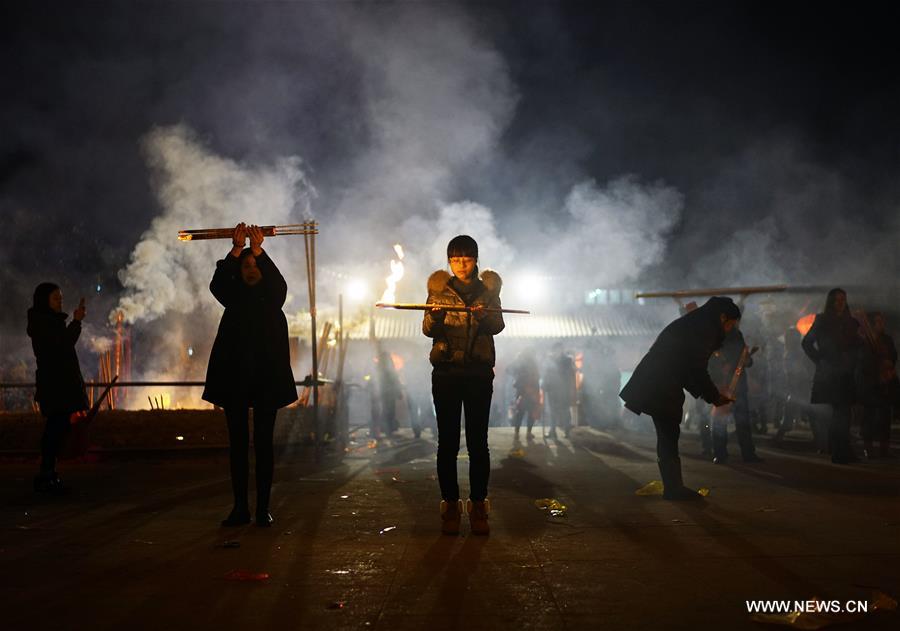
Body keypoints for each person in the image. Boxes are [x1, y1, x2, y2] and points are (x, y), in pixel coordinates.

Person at [203, 223, 298, 527]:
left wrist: (258, 250)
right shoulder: (233, 296)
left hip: (267, 376)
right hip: (235, 377)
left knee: (264, 444)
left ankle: (263, 508)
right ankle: (240, 507)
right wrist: (235, 249)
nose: (252, 268)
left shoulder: (271, 298)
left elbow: (280, 286)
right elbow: (217, 285)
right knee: (239, 445)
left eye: (256, 265)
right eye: (247, 265)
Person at [423, 235, 504, 535]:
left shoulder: (488, 290)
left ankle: (479, 505)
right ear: (449, 261)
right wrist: (435, 317)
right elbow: (427, 329)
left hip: (478, 374)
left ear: (475, 259)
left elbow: (499, 325)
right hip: (446, 373)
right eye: (455, 259)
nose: (461, 265)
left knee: (477, 443)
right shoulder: (438, 289)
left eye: (466, 259)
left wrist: (485, 318)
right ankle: (450, 507)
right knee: (447, 443)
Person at [619, 297, 739, 500]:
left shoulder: (696, 323)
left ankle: (673, 486)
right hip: (661, 382)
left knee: (668, 434)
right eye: (730, 325)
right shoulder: (704, 329)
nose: (729, 330)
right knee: (668, 434)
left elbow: (687, 368)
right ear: (723, 317)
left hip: (660, 381)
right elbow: (696, 369)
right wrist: (713, 396)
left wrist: (709, 395)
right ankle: (674, 489)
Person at [27, 282, 89, 494]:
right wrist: (77, 322)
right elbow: (63, 344)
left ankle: (49, 473)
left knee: (57, 429)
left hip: (58, 384)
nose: (60, 301)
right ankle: (46, 475)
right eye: (55, 298)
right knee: (54, 430)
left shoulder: (50, 321)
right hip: (55, 386)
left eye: (60, 298)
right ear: (44, 300)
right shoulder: (44, 324)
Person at [801, 288, 860, 464]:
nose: (841, 303)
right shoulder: (822, 320)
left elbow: (856, 345)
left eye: (843, 299)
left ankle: (845, 451)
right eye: (837, 300)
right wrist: (820, 360)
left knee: (845, 413)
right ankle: (838, 452)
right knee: (839, 413)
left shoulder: (851, 322)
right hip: (831, 374)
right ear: (831, 302)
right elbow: (806, 343)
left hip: (847, 373)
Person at [707, 327, 763, 463]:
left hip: (739, 387)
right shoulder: (714, 334)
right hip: (722, 385)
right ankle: (720, 454)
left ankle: (748, 454)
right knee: (720, 421)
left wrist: (747, 360)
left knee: (743, 422)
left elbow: (746, 358)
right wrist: (721, 369)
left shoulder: (737, 334)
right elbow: (710, 359)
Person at [857, 312, 897, 459]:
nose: (881, 324)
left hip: (885, 383)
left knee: (885, 417)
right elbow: (862, 361)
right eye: (878, 322)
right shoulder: (863, 340)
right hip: (870, 384)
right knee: (869, 417)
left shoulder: (887, 339)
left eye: (882, 321)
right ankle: (868, 448)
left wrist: (889, 364)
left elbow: (893, 355)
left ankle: (884, 450)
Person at [543, 343, 577, 439]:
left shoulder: (567, 360)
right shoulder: (550, 360)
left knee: (565, 411)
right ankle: (552, 431)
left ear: (561, 350)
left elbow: (571, 374)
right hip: (552, 390)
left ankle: (567, 431)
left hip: (563, 390)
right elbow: (546, 374)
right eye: (555, 349)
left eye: (559, 349)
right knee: (552, 412)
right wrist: (545, 384)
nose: (557, 351)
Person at [509, 349, 541, 441]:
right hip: (527, 394)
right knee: (526, 413)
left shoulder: (522, 363)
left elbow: (536, 378)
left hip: (524, 393)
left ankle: (518, 433)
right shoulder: (525, 364)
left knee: (521, 414)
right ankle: (527, 433)